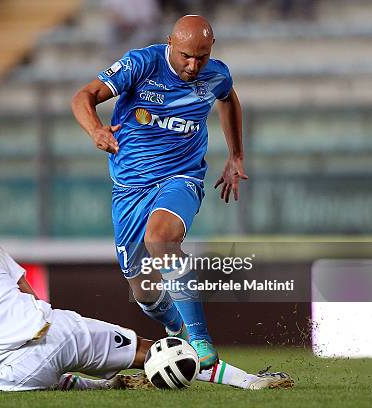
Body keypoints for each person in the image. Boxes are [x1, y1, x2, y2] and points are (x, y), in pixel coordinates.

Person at [0, 208, 291, 391]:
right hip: (58, 331)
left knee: (17, 383)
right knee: (154, 352)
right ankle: (249, 382)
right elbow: (26, 295)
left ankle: (99, 388)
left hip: (16, 373)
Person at [72, 15, 246, 370]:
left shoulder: (217, 74)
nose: (193, 65)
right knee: (143, 290)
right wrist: (95, 131)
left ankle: (199, 340)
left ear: (210, 50)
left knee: (161, 239)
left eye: (201, 57)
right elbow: (84, 96)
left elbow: (228, 100)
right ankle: (177, 328)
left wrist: (235, 155)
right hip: (130, 187)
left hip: (181, 176)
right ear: (170, 43)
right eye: (185, 56)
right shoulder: (141, 64)